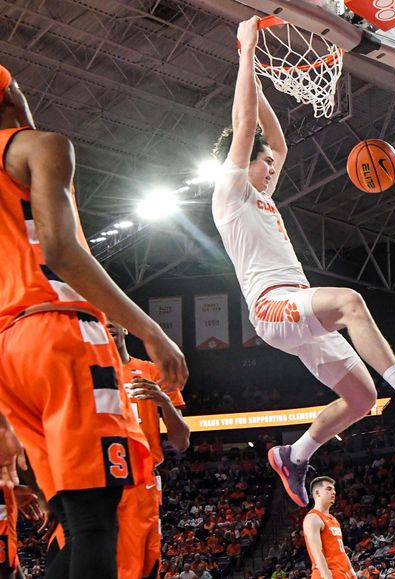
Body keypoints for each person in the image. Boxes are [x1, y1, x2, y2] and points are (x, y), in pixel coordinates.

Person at [212, 16, 395, 507]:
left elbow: (277, 141)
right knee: (351, 301)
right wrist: (246, 50)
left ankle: (295, 454)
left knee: (361, 399)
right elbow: (245, 128)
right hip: (273, 306)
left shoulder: (261, 193)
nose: (273, 167)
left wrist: (259, 83)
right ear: (244, 160)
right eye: (264, 162)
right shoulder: (230, 189)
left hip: (297, 311)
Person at [0, 65, 187, 578]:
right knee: (97, 526)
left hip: (8, 353)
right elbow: (60, 250)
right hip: (59, 332)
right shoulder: (45, 147)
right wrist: (152, 329)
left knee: (77, 526)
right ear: (12, 93)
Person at [109, 320, 191, 579]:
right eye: (100, 318)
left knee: (143, 565)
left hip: (140, 481)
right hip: (97, 480)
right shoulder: (82, 372)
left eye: (112, 316)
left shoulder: (152, 372)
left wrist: (164, 401)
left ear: (124, 325)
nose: (107, 323)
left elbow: (181, 442)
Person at [303, 476, 358, 579]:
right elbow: (316, 551)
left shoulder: (333, 519)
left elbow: (340, 549)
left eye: (334, 489)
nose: (334, 492)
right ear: (317, 493)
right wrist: (326, 575)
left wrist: (351, 571)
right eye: (329, 489)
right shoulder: (313, 518)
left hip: (342, 573)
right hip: (326, 574)